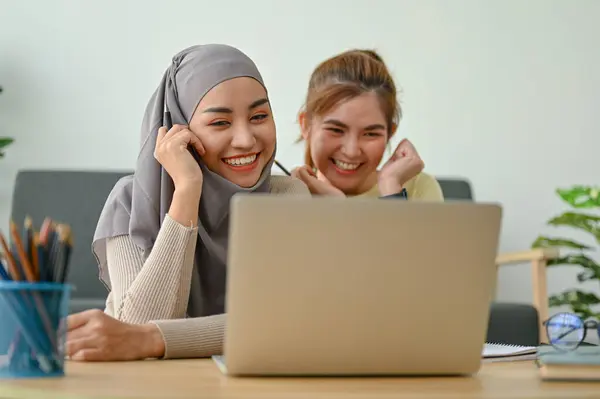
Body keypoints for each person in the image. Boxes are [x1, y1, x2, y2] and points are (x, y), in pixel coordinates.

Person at [65, 44, 309, 362]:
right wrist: (187, 190)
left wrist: (154, 339)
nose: (246, 139)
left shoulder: (289, 198)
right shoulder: (130, 200)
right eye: (220, 123)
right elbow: (135, 327)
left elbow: (284, 325)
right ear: (180, 130)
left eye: (259, 116)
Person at [291, 49, 444, 201]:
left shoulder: (418, 188)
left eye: (370, 134)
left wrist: (391, 190)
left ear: (390, 133)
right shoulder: (286, 196)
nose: (351, 151)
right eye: (336, 130)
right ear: (305, 125)